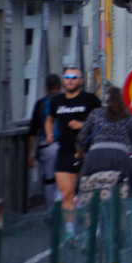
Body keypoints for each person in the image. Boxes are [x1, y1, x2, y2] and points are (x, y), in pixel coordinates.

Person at [44, 66, 100, 237]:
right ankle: (70, 233)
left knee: (86, 194)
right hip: (65, 151)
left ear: (81, 81)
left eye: (74, 77)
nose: (70, 80)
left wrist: (82, 125)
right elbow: (49, 120)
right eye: (67, 77)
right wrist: (49, 133)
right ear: (63, 81)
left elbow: (101, 122)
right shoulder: (57, 101)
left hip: (86, 152)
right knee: (66, 192)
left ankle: (93, 232)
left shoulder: (90, 100)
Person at [77, 85, 132, 196]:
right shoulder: (128, 116)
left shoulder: (96, 113)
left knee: (82, 185)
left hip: (95, 154)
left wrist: (81, 151)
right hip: (120, 155)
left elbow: (82, 135)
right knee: (128, 185)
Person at [27, 73, 62, 206]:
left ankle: (51, 212)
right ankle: (64, 211)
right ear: (60, 86)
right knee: (64, 177)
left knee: (49, 180)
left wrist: (30, 153)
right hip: (64, 145)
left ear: (46, 87)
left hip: (46, 145)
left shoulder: (41, 104)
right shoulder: (66, 100)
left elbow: (33, 130)